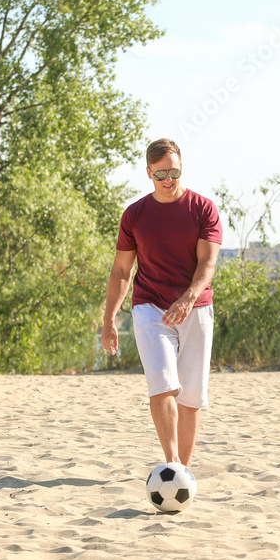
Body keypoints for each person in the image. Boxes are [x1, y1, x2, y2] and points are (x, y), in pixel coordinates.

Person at [101, 138, 223, 468]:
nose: (168, 180)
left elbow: (207, 263)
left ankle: (182, 470)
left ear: (181, 167)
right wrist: (109, 317)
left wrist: (188, 298)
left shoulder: (203, 209)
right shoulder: (135, 215)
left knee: (191, 397)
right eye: (160, 174)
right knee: (161, 383)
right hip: (150, 306)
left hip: (196, 307)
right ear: (148, 173)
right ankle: (170, 465)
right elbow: (123, 269)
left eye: (174, 171)